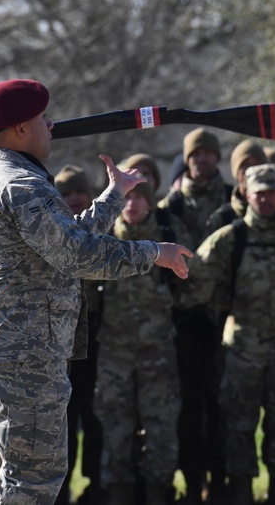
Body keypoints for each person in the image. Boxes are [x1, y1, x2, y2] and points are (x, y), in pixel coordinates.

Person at [0, 79, 191, 504]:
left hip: (14, 349)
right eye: (41, 118)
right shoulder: (21, 187)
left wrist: (114, 195)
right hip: (23, 354)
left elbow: (65, 240)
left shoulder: (8, 177)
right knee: (32, 479)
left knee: (12, 477)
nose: (51, 124)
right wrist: (153, 251)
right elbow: (79, 255)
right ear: (20, 130)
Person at [186, 163, 275, 505]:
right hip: (242, 353)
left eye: (272, 192)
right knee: (238, 427)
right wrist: (226, 300)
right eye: (259, 193)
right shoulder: (229, 238)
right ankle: (240, 494)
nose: (266, 199)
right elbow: (198, 282)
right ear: (247, 194)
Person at [94, 179, 192, 505]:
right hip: (114, 352)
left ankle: (157, 495)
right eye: (127, 197)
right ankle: (118, 496)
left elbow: (195, 282)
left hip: (158, 353)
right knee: (115, 429)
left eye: (139, 198)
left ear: (151, 203)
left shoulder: (170, 235)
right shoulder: (103, 237)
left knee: (161, 428)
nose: (132, 204)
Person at [159, 127, 232, 503]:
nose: (201, 160)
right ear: (185, 161)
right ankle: (190, 483)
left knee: (223, 409)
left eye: (207, 154)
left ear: (217, 158)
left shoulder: (234, 202)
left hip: (225, 321)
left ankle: (219, 484)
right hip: (182, 324)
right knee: (187, 409)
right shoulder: (168, 209)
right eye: (194, 155)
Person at [53, 165, 105, 505]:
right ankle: (61, 491)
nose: (74, 199)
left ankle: (95, 488)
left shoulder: (103, 230)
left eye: (79, 192)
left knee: (97, 418)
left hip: (100, 343)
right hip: (60, 349)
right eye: (66, 193)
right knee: (62, 425)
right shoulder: (50, 232)